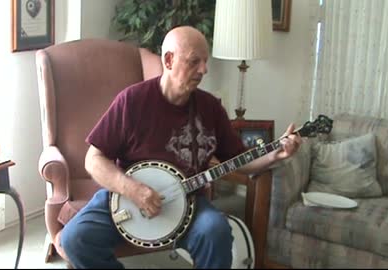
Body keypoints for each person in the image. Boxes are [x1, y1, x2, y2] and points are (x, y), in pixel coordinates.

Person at [60, 25, 302, 269]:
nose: (204, 70)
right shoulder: (132, 101)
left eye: (205, 61)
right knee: (75, 240)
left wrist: (275, 155)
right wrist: (132, 189)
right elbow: (94, 158)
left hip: (189, 202)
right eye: (195, 61)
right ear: (169, 60)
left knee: (215, 231)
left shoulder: (211, 109)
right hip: (126, 197)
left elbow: (239, 160)